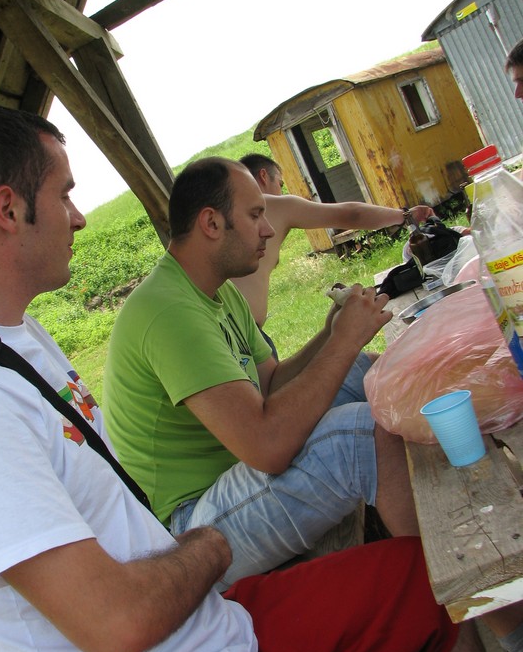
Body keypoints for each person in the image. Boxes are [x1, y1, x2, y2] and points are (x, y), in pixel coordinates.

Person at [0, 105, 521, 652]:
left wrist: (333, 339)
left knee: (422, 581)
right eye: (64, 194)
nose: (79, 217)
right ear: (9, 209)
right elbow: (116, 623)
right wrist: (207, 547)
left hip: (200, 630)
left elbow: (269, 387)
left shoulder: (14, 337)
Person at [103, 157, 430, 590]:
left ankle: (454, 481)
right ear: (211, 223)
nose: (270, 230)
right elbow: (267, 447)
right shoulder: (169, 312)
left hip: (236, 473)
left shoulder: (218, 290)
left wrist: (330, 334)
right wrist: (342, 341)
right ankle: (452, 584)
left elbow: (272, 383)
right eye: (256, 215)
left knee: (366, 370)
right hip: (193, 528)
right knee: (366, 435)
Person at [236, 153, 434, 358]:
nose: (281, 192)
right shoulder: (272, 205)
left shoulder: (232, 217)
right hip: (241, 340)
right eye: (279, 184)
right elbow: (352, 214)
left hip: (244, 335)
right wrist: (405, 216)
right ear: (263, 177)